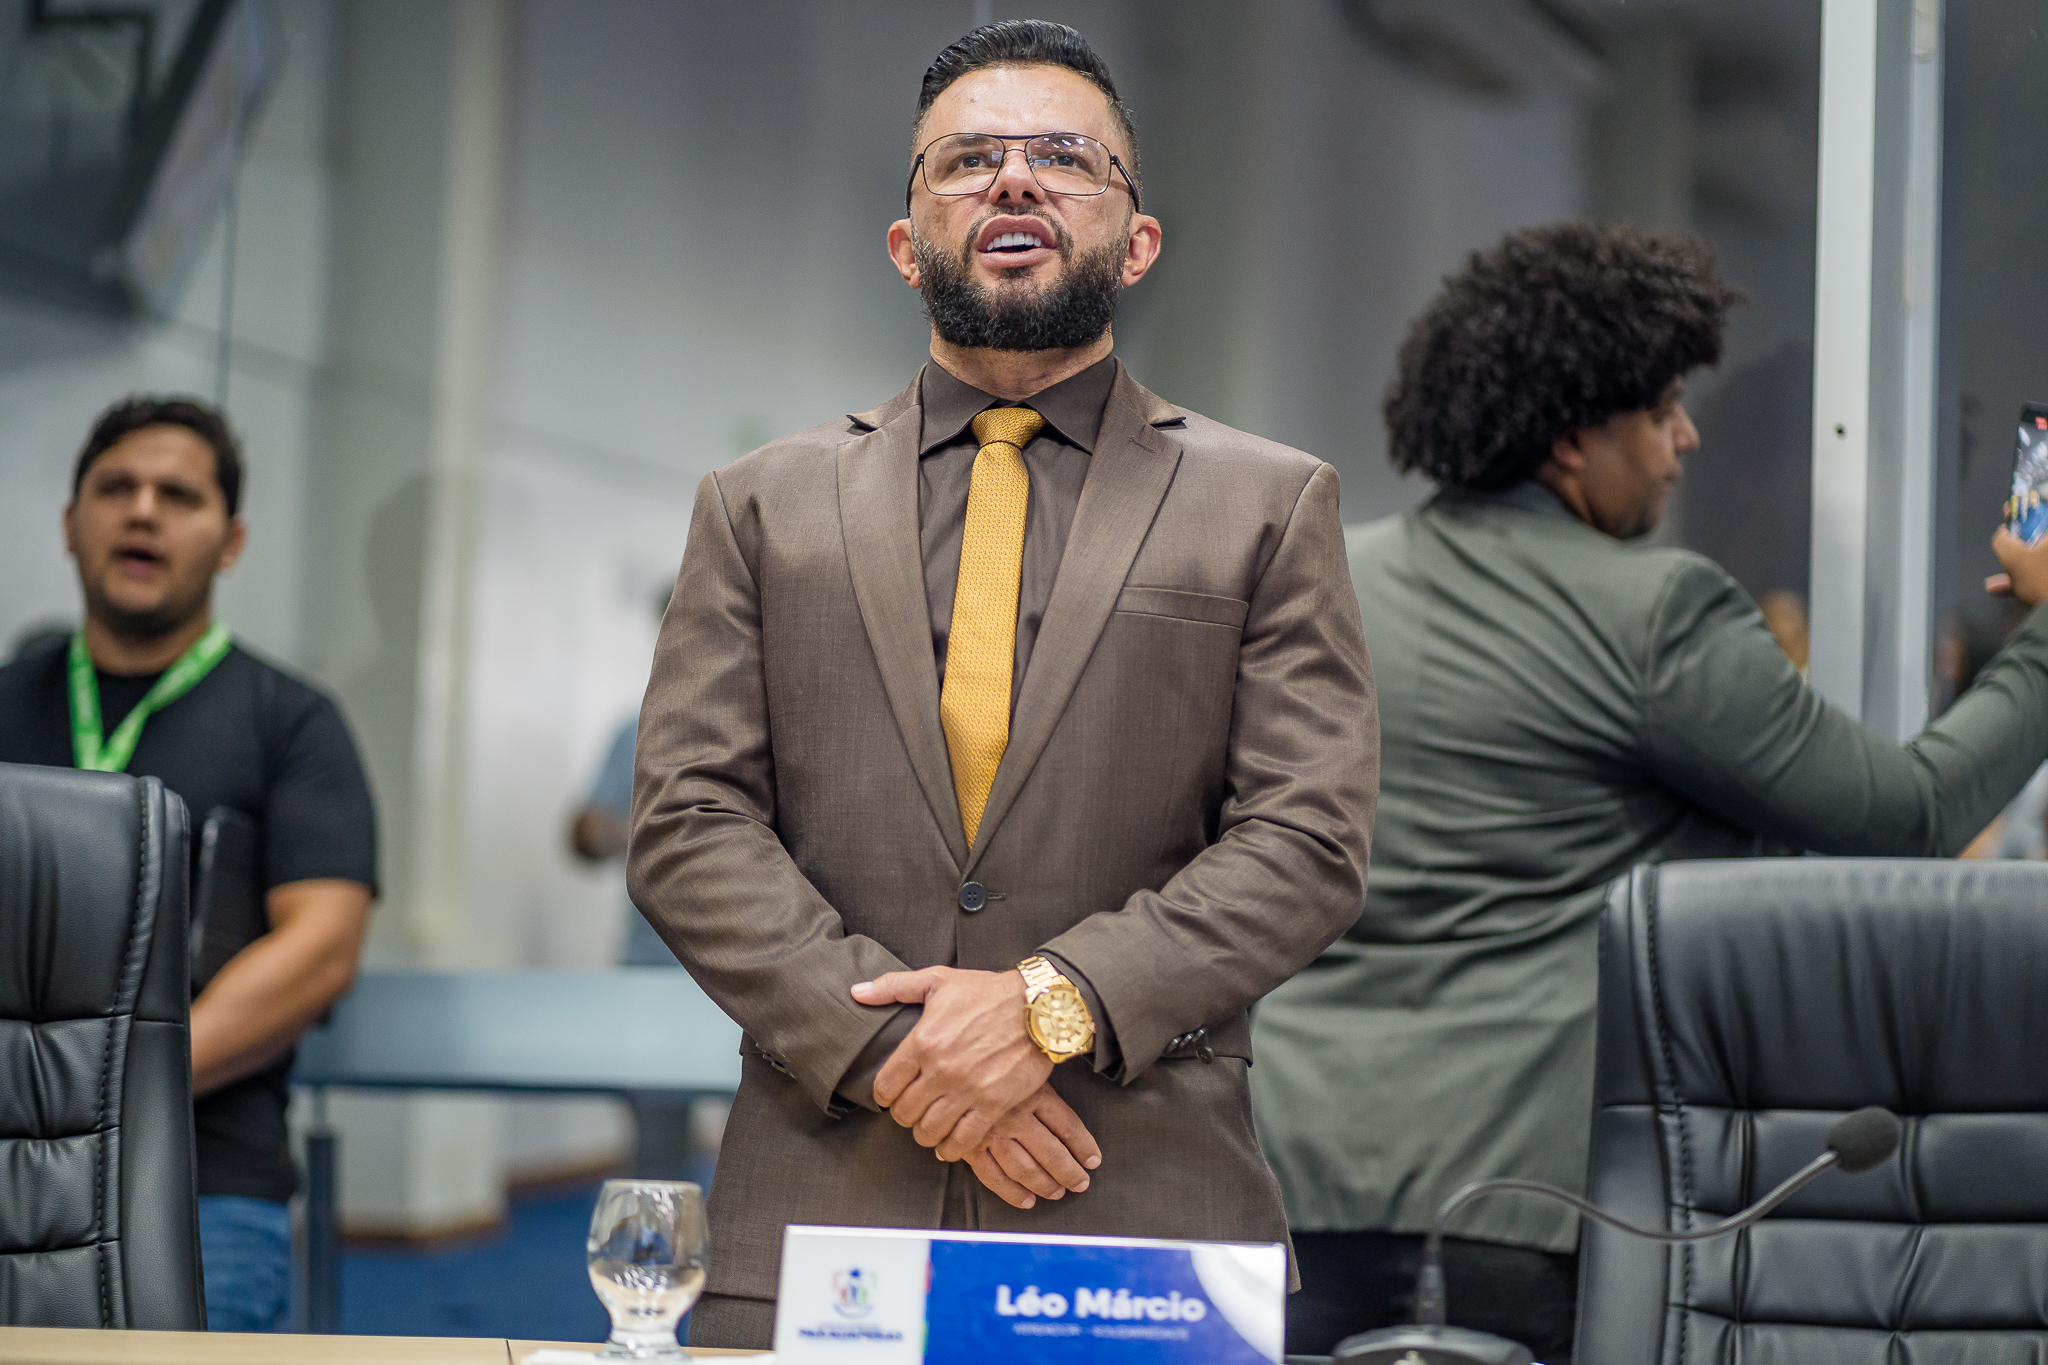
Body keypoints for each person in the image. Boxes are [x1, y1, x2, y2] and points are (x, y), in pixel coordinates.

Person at [627, 20, 1378, 1349]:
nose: (1015, 178)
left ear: (1137, 241)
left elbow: (1307, 838)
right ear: (905, 241)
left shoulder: (1267, 506)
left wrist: (1050, 1003)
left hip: (1139, 1200)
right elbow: (689, 824)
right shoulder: (760, 506)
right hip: (824, 1199)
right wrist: (898, 1054)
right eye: (968, 160)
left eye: (1064, 157)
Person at [1250, 221, 2048, 1362]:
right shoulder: (1655, 611)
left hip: (1281, 1200)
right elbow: (1908, 812)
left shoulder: (1322, 572)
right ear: (1574, 437)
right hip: (1522, 1210)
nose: (1684, 439)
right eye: (1663, 409)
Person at [0, 396, 377, 1333]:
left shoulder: (293, 723)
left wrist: (105, 1086)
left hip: (201, 1181)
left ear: (230, 541)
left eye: (179, 495)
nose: (143, 511)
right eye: (116, 488)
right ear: (70, 523)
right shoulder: (6, 703)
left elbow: (321, 950)